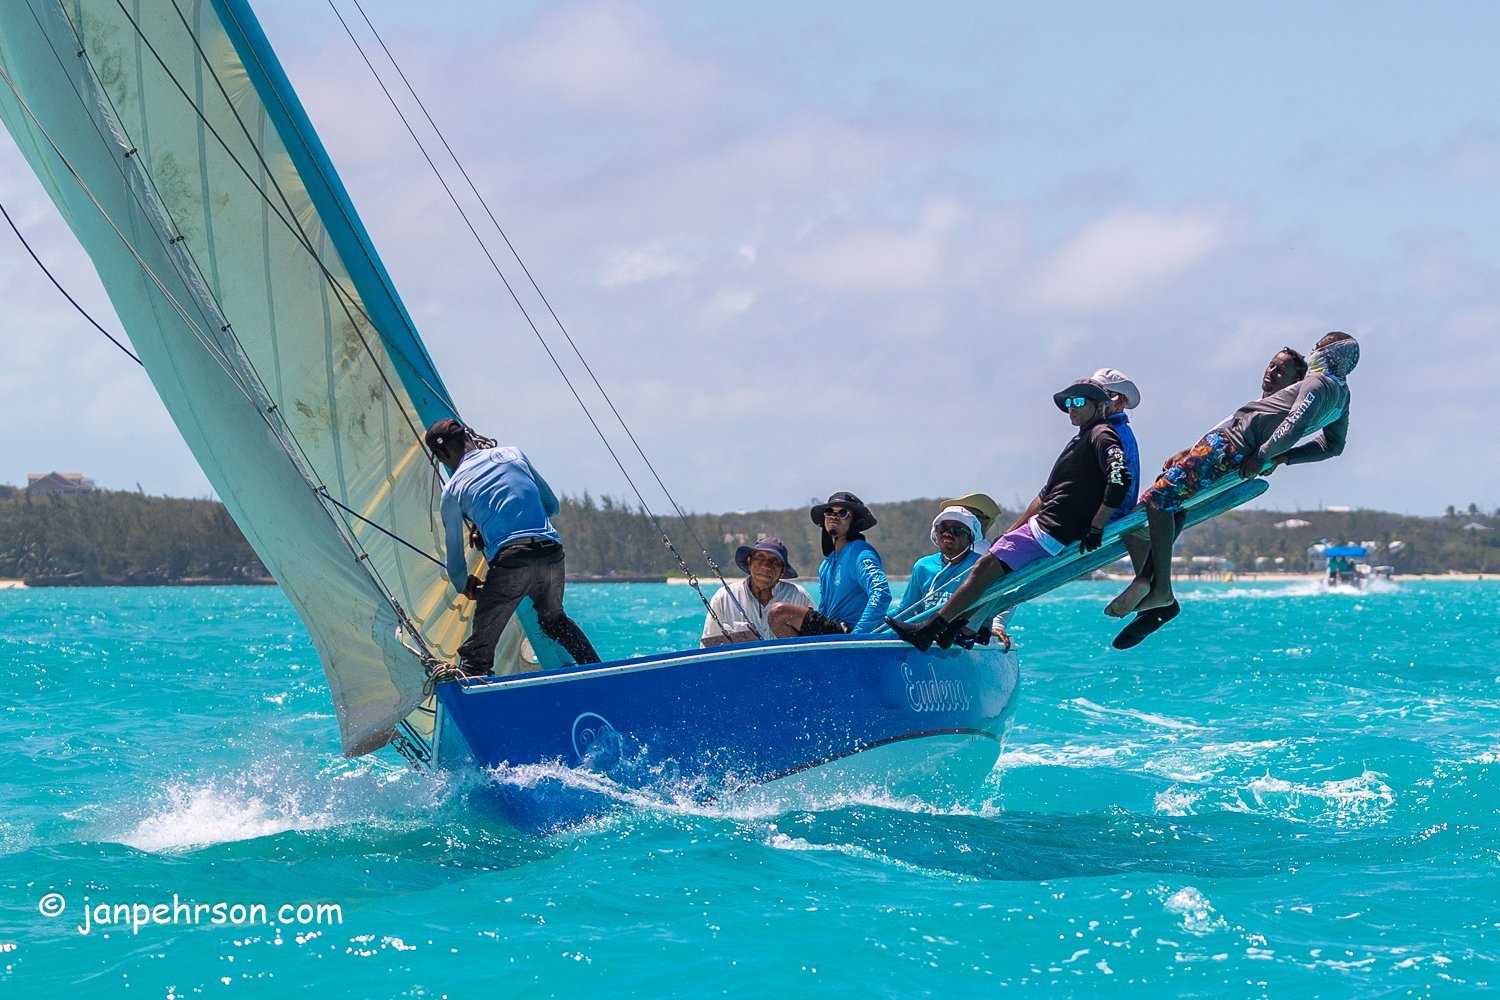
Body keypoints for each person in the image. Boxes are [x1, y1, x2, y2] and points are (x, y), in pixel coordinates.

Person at [1107, 333, 1358, 647]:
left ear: (1328, 354)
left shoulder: (1317, 383)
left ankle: (1160, 591)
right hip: (1234, 447)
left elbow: (1294, 424)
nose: (1313, 352)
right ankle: (1152, 589)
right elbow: (1333, 445)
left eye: (1318, 348)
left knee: (1156, 502)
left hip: (1232, 446)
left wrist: (1266, 454)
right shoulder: (1342, 396)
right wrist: (1282, 456)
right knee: (1158, 509)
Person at [889, 376, 1132, 651]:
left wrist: (1097, 525)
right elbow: (1044, 495)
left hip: (1051, 529)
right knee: (993, 576)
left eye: (1078, 401)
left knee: (984, 569)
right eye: (1067, 403)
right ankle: (955, 630)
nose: (1071, 408)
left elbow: (1119, 477)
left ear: (1099, 405)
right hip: (1042, 526)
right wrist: (1012, 530)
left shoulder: (1101, 433)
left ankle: (930, 629)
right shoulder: (1080, 440)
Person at [426, 418, 600, 675]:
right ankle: (598, 672)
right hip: (552, 553)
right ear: (469, 437)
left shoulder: (452, 490)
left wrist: (464, 584)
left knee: (479, 650)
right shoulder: (513, 454)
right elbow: (552, 507)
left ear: (441, 455)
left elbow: (456, 561)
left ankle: (473, 688)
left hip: (513, 563)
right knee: (554, 621)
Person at [768, 491, 891, 636]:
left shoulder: (860, 552)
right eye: (829, 511)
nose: (834, 516)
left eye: (843, 513)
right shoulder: (825, 566)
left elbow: (881, 592)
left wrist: (857, 635)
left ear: (855, 521)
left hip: (852, 633)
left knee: (779, 613)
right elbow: (824, 611)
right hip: (835, 634)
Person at [701, 536, 812, 646]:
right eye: (760, 558)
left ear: (782, 571)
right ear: (749, 562)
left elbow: (816, 643)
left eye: (774, 561)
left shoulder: (799, 596)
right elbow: (708, 648)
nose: (766, 566)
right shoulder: (724, 597)